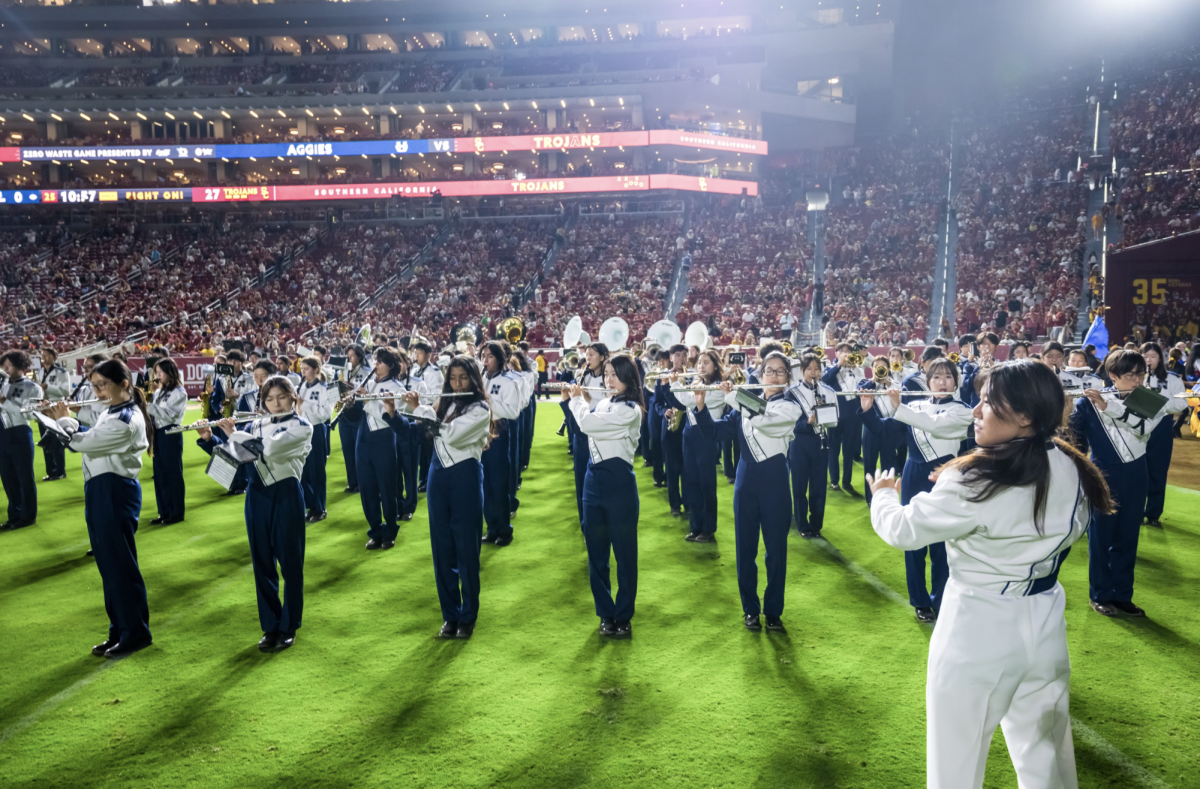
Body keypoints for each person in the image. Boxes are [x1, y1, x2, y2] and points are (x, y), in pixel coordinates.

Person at [867, 359, 1113, 789]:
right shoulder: (1074, 465)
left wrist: (884, 496)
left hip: (977, 623)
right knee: (1047, 756)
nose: (976, 412)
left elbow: (903, 530)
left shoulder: (974, 476)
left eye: (987, 402)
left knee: (955, 762)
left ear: (1024, 416)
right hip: (1045, 617)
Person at [197, 376, 313, 651]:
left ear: (292, 396)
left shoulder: (302, 426)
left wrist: (233, 433)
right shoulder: (256, 424)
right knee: (262, 564)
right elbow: (236, 459)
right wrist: (210, 438)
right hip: (256, 495)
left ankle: (289, 626)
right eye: (270, 399)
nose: (275, 404)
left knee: (291, 564)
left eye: (281, 397)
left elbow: (269, 449)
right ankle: (271, 625)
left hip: (285, 494)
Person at [47, 359, 153, 658]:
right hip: (101, 489)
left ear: (124, 384)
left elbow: (82, 442)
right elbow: (89, 435)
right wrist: (62, 420)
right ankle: (119, 630)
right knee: (109, 566)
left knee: (120, 566)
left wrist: (63, 420)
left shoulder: (127, 419)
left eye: (103, 385)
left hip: (114, 491)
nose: (97, 391)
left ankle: (136, 633)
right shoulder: (112, 411)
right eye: (94, 386)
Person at [694, 352, 803, 631]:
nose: (775, 376)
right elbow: (715, 432)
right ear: (761, 374)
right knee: (745, 549)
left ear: (788, 378)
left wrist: (733, 396)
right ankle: (750, 610)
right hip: (746, 481)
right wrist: (701, 406)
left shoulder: (791, 406)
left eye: (780, 372)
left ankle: (774, 611)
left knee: (776, 551)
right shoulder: (745, 405)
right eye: (769, 371)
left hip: (775, 481)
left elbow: (765, 420)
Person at [859, 357, 972, 623]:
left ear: (956, 382)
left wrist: (898, 406)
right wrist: (868, 410)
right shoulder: (915, 405)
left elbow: (934, 426)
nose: (942, 382)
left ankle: (941, 598)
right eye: (936, 377)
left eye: (947, 377)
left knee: (942, 541)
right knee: (913, 539)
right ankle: (920, 601)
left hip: (943, 475)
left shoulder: (962, 410)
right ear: (927, 381)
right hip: (912, 473)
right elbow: (887, 433)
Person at [391, 356, 493, 639]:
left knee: (467, 550)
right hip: (438, 479)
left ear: (473, 380)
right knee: (442, 549)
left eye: (463, 378)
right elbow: (417, 435)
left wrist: (420, 408)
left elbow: (451, 436)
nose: (457, 383)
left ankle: (468, 616)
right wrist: (394, 414)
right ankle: (450, 615)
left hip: (465, 479)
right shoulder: (443, 404)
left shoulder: (480, 408)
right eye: (453, 378)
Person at [1068, 350, 1161, 617]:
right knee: (1100, 537)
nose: (1137, 380)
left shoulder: (1147, 398)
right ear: (1112, 375)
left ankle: (1122, 596)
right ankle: (1100, 594)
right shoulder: (1088, 402)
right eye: (1131, 374)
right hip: (1102, 474)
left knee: (1128, 536)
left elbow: (1142, 429)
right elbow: (1073, 438)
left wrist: (1109, 407)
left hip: (1136, 475)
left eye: (1141, 374)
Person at [567, 355, 644, 637]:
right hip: (593, 482)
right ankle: (605, 613)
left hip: (619, 484)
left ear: (629, 378)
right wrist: (582, 402)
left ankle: (623, 614)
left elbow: (587, 424)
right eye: (607, 374)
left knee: (624, 553)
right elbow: (584, 423)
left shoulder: (632, 410)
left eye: (615, 375)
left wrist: (576, 401)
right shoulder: (602, 403)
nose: (608, 380)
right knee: (596, 552)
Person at [667, 349, 727, 542]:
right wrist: (676, 384)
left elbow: (690, 401)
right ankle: (695, 526)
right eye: (700, 362)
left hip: (706, 436)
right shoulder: (696, 383)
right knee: (691, 482)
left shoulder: (718, 388)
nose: (701, 366)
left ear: (715, 366)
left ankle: (708, 528)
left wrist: (675, 383)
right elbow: (683, 402)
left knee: (706, 483)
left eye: (706, 362)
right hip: (689, 435)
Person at [351, 347, 405, 550]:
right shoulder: (368, 383)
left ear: (390, 365)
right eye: (375, 360)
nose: (376, 365)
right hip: (363, 439)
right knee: (367, 488)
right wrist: (351, 402)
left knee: (386, 487)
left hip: (383, 439)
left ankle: (390, 530)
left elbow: (388, 418)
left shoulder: (396, 387)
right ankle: (375, 530)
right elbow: (359, 414)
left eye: (380, 361)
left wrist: (366, 400)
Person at [786, 353, 838, 538]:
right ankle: (802, 524)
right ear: (802, 371)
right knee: (799, 486)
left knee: (818, 486)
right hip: (799, 442)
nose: (813, 373)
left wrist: (826, 415)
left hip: (820, 441)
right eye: (809, 369)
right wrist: (806, 421)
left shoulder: (828, 391)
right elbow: (787, 421)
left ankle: (816, 524)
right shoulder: (792, 392)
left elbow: (835, 421)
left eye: (817, 369)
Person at [479, 341, 522, 546]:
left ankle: (505, 530)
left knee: (498, 483)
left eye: (489, 357)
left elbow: (513, 412)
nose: (485, 361)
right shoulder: (479, 378)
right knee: (485, 484)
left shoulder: (508, 381)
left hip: (499, 432)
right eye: (483, 356)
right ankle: (492, 527)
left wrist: (487, 400)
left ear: (500, 359)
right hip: (479, 434)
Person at [1139, 342, 1186, 527]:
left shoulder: (1173, 379)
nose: (1149, 360)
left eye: (1153, 356)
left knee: (1158, 470)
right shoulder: (1134, 378)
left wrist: (1156, 403)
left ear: (1161, 358)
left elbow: (1181, 404)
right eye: (1145, 356)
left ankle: (1153, 513)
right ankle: (1135, 511)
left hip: (1162, 426)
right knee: (1137, 471)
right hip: (1137, 426)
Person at [562, 343, 610, 520]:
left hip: (598, 431)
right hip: (581, 434)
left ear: (603, 357)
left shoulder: (609, 377)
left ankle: (599, 518)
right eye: (587, 354)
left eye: (592, 354)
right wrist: (568, 397)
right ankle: (585, 520)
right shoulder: (584, 375)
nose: (588, 358)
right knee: (580, 477)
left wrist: (584, 397)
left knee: (597, 478)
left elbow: (606, 404)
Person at [0, 351, 44, 530]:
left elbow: (30, 413)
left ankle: (28, 516)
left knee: (24, 477)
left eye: (9, 365)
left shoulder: (32, 387)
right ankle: (14, 515)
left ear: (20, 365)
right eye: (4, 366)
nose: (6, 369)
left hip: (19, 432)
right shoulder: (2, 384)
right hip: (1, 433)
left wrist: (4, 401)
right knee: (8, 478)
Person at [146, 358, 187, 525]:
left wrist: (147, 405)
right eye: (156, 373)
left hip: (171, 433)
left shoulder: (180, 392)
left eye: (160, 372)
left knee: (173, 474)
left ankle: (176, 513)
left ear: (170, 372)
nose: (158, 376)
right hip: (157, 433)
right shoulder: (158, 391)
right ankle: (164, 512)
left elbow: (170, 415)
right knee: (160, 474)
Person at [822, 342, 865, 494]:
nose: (846, 353)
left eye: (848, 351)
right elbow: (825, 380)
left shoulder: (856, 368)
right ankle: (834, 481)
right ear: (836, 353)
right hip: (834, 414)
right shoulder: (828, 367)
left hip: (852, 414)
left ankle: (847, 481)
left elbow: (863, 385)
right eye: (843, 351)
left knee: (848, 450)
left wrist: (855, 369)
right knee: (833, 449)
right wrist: (839, 364)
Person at [654, 343, 689, 517]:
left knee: (688, 469)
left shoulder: (692, 377)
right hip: (669, 427)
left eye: (684, 354)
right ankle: (675, 504)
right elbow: (656, 402)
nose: (681, 358)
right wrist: (663, 411)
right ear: (671, 357)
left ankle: (689, 503)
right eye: (677, 355)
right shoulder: (663, 376)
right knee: (672, 469)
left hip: (688, 427)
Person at [297, 356, 333, 523]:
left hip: (317, 430)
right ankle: (311, 506)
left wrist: (303, 404)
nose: (303, 372)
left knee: (317, 472)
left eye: (306, 368)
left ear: (316, 369)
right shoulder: (302, 385)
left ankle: (320, 507)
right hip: (301, 431)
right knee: (303, 472)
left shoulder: (327, 388)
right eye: (302, 368)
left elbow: (326, 414)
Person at [410, 339, 443, 493]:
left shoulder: (434, 372)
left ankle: (428, 480)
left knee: (428, 450)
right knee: (419, 450)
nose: (416, 356)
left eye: (420, 353)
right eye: (415, 352)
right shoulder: (414, 371)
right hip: (416, 411)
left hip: (427, 412)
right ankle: (422, 479)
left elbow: (435, 396)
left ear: (429, 355)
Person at [338, 344, 371, 494]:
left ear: (360, 357)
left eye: (352, 356)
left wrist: (353, 387)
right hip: (344, 415)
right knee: (347, 450)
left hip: (359, 414)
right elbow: (334, 391)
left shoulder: (367, 372)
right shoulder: (341, 372)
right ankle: (352, 482)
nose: (349, 359)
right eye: (347, 356)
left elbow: (368, 391)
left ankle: (362, 482)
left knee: (360, 451)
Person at [38, 347, 70, 481]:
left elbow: (65, 392)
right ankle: (51, 471)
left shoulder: (61, 372)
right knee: (45, 441)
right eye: (42, 355)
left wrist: (47, 387)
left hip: (56, 408)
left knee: (57, 441)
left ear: (54, 357)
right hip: (43, 409)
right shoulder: (39, 372)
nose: (43, 357)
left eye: (46, 355)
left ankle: (60, 471)